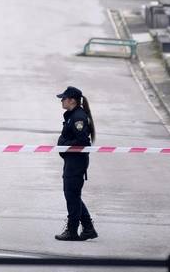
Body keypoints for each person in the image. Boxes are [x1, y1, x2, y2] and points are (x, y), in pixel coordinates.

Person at [55, 86, 97, 241]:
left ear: (72, 100)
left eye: (63, 98)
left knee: (71, 195)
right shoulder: (73, 115)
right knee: (73, 195)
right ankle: (88, 228)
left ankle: (72, 230)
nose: (61, 100)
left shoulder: (78, 117)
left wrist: (65, 143)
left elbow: (82, 141)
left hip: (76, 161)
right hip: (72, 160)